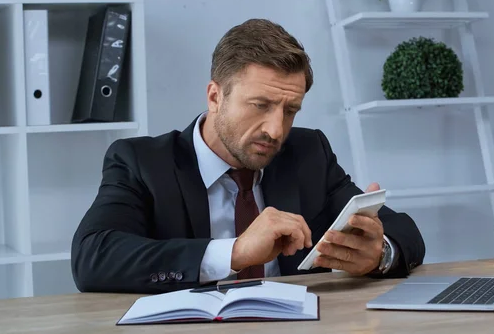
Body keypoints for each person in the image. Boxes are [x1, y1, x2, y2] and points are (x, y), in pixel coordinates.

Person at [71, 18, 425, 294]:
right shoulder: (141, 161)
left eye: (290, 110)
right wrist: (234, 253)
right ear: (215, 97)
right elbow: (93, 258)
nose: (275, 130)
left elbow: (405, 232)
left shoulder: (307, 153)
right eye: (261, 105)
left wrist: (379, 254)